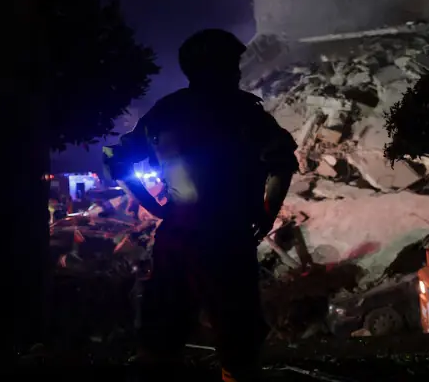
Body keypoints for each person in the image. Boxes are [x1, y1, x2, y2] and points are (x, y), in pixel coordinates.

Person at [102, 29, 299, 382]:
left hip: (179, 233)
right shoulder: (245, 112)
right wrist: (265, 216)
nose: (238, 71)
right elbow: (281, 164)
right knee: (237, 335)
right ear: (214, 67)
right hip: (229, 235)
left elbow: (119, 163)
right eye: (231, 64)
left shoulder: (167, 111)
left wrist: (155, 206)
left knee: (163, 329)